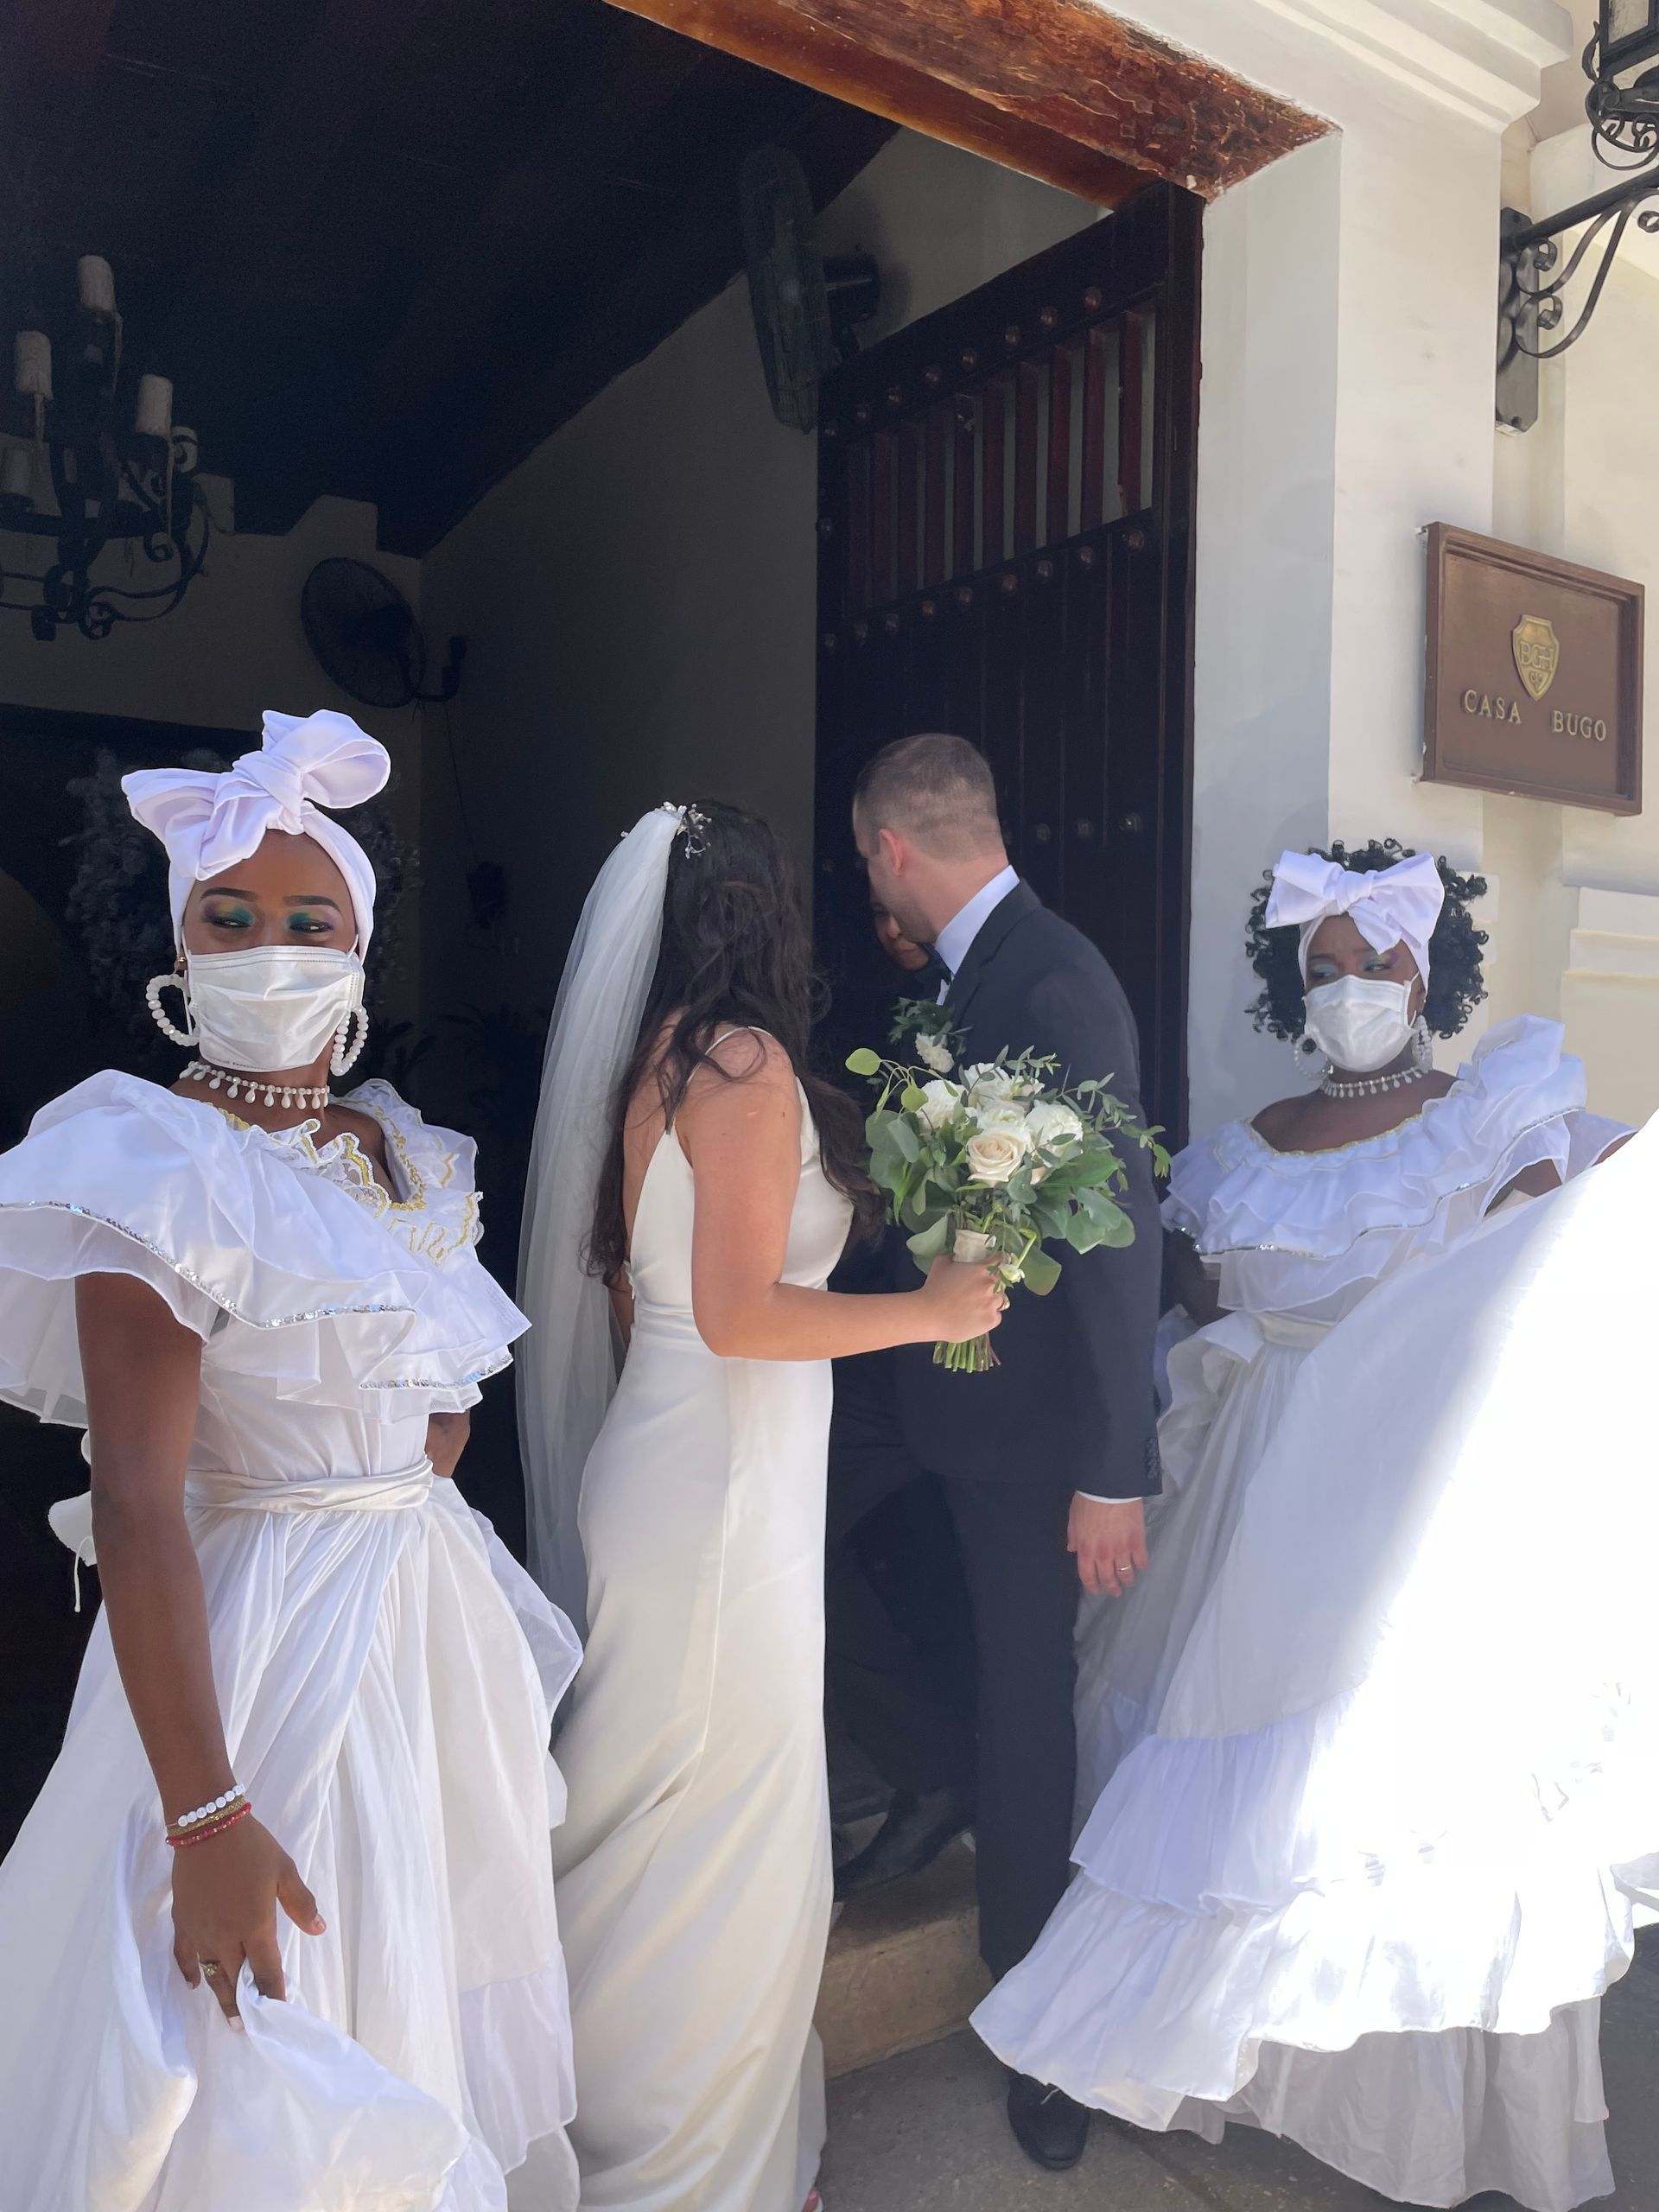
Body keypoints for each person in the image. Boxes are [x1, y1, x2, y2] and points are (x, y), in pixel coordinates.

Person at [974, 839, 1631, 2209]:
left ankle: (1422, 2113)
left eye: (1373, 964)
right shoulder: (1234, 1153)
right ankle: (1208, 2051)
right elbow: (1200, 1315)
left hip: (1404, 1504)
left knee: (1385, 1800)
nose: (1349, 992)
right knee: (1205, 1784)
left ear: (1424, 969)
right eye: (1321, 971)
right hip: (1241, 1494)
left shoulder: (1497, 1111)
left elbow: (1544, 1280)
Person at [0, 709, 583, 2212]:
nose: (271, 948)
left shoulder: (406, 1158)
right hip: (258, 1646)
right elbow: (135, 1500)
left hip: (423, 1630)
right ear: (179, 948)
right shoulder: (154, 1165)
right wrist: (207, 1813)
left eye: (308, 919)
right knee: (267, 2012)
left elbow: (440, 1414)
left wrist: (383, 1454)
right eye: (230, 919)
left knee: (411, 1965)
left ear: (360, 949)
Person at [515, 800, 1002, 2212]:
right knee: (717, 1839)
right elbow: (734, 1314)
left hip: (676, 1468)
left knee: (651, 1813)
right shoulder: (747, 1063)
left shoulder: (657, 1066)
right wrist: (929, 1306)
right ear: (771, 918)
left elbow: (638, 1295)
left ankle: (619, 2120)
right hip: (726, 1488)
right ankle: (679, 2169)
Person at [838, 733, 1164, 2172]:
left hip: (1033, 1437)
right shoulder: (968, 978)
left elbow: (1120, 1237)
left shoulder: (1054, 977)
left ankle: (1043, 2026)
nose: (869, 882)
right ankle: (924, 1758)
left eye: (863, 860)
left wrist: (1117, 1468)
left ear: (892, 848)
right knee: (787, 1531)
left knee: (1030, 1706)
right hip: (934, 1389)